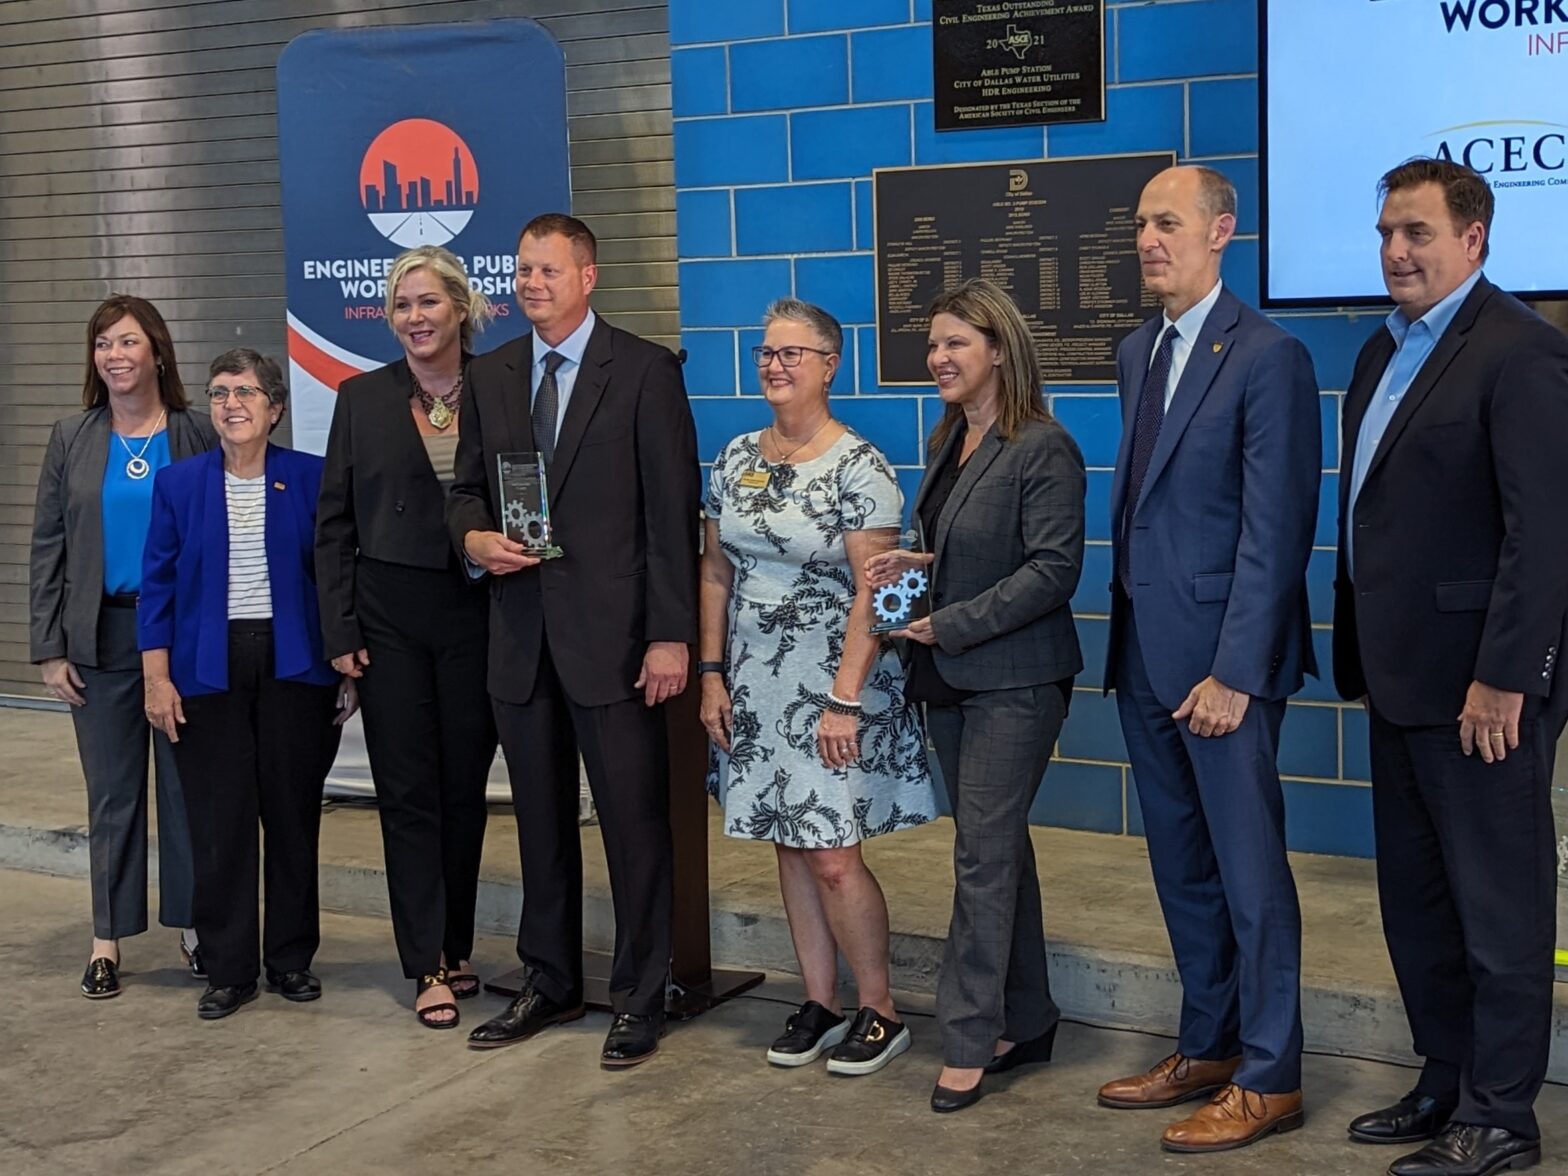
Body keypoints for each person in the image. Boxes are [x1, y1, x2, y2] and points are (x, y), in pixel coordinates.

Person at [1332, 158, 1568, 1176]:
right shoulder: (1376, 354)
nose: (1395, 251)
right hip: (1396, 677)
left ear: (1472, 239)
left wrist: (1504, 676)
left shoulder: (1518, 353)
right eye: (1386, 231)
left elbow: (1544, 533)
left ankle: (1501, 1113)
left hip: (1483, 690)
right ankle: (1444, 1079)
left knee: (1497, 906)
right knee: (1418, 902)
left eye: (1417, 233)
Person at [1097, 166, 1320, 1152]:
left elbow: (1274, 534)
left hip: (1219, 670)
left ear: (1220, 230)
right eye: (1141, 223)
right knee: (1182, 871)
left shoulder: (1267, 355)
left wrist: (1234, 671)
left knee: (1246, 875)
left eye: (1168, 222)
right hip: (1145, 657)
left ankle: (1271, 1075)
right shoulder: (1136, 350)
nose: (1149, 238)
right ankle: (1210, 1044)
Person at [450, 213, 699, 1067]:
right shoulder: (490, 374)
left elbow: (671, 519)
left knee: (633, 824)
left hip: (619, 642)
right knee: (541, 824)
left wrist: (672, 637)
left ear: (587, 276)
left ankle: (640, 992)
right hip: (522, 639)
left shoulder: (643, 371)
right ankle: (548, 980)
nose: (531, 284)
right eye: (522, 270)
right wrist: (476, 540)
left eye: (548, 270)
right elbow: (466, 493)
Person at [701, 298, 937, 1078]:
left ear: (830, 365)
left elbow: (880, 591)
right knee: (790, 845)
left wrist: (843, 697)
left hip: (835, 681)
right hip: (752, 678)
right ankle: (820, 1000)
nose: (774, 365)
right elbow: (716, 571)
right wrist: (710, 673)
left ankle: (881, 1009)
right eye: (767, 352)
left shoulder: (859, 466)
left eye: (792, 354)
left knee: (834, 852)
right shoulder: (734, 456)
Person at [865, 278, 1085, 1112]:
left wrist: (946, 622)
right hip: (950, 679)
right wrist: (919, 572)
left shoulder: (1043, 445)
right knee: (999, 851)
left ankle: (966, 1039)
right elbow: (967, 544)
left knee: (981, 858)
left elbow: (1053, 570)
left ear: (1000, 348)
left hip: (1017, 681)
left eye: (956, 342)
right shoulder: (949, 438)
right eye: (934, 344)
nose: (938, 358)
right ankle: (1026, 1018)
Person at [140, 349, 357, 1020]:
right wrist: (156, 677)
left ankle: (290, 959)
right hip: (206, 670)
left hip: (297, 666)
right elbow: (158, 586)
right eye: (220, 392)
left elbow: (336, 576)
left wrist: (346, 660)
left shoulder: (312, 477)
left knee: (291, 818)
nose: (232, 403)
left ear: (276, 408)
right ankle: (229, 968)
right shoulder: (179, 484)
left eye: (246, 392)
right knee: (219, 821)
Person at [316, 246, 499, 1031]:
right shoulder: (359, 398)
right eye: (402, 306)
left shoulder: (504, 389)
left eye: (429, 303)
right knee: (408, 792)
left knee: (466, 788)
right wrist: (340, 629)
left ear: (460, 308)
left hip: (480, 610)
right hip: (387, 614)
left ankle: (457, 947)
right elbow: (333, 526)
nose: (415, 319)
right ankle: (424, 961)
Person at [29, 294, 216, 1000]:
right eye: (104, 343)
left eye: (129, 341)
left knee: (186, 790)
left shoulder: (195, 433)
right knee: (113, 797)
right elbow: (48, 544)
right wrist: (50, 647)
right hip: (100, 637)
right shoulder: (72, 436)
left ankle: (196, 929)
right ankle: (106, 939)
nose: (115, 354)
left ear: (157, 352)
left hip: (179, 638)